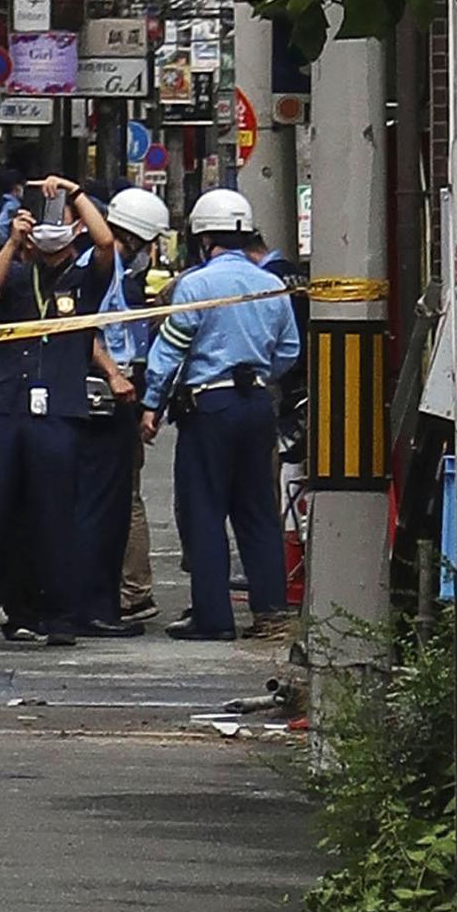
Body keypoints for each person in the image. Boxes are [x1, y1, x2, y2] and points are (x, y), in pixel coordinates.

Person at [0, 179, 102, 650]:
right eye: (43, 217)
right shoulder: (13, 274)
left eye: (60, 219)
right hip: (7, 407)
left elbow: (106, 242)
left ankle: (59, 614)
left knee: (55, 515)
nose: (52, 226)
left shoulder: (85, 278)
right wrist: (12, 241)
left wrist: (76, 193)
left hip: (60, 409)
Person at [142, 183, 301, 646]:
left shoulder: (195, 285)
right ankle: (270, 612)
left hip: (208, 405)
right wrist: (257, 373)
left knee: (205, 510)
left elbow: (168, 352)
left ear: (203, 239)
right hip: (256, 405)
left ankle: (213, 617)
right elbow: (288, 350)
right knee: (257, 511)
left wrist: (152, 404)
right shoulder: (271, 284)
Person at [73, 185, 171, 634]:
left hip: (111, 391)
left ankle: (127, 591)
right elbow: (93, 329)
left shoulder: (114, 272)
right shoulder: (108, 268)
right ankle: (126, 590)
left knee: (116, 497)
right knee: (119, 497)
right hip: (110, 390)